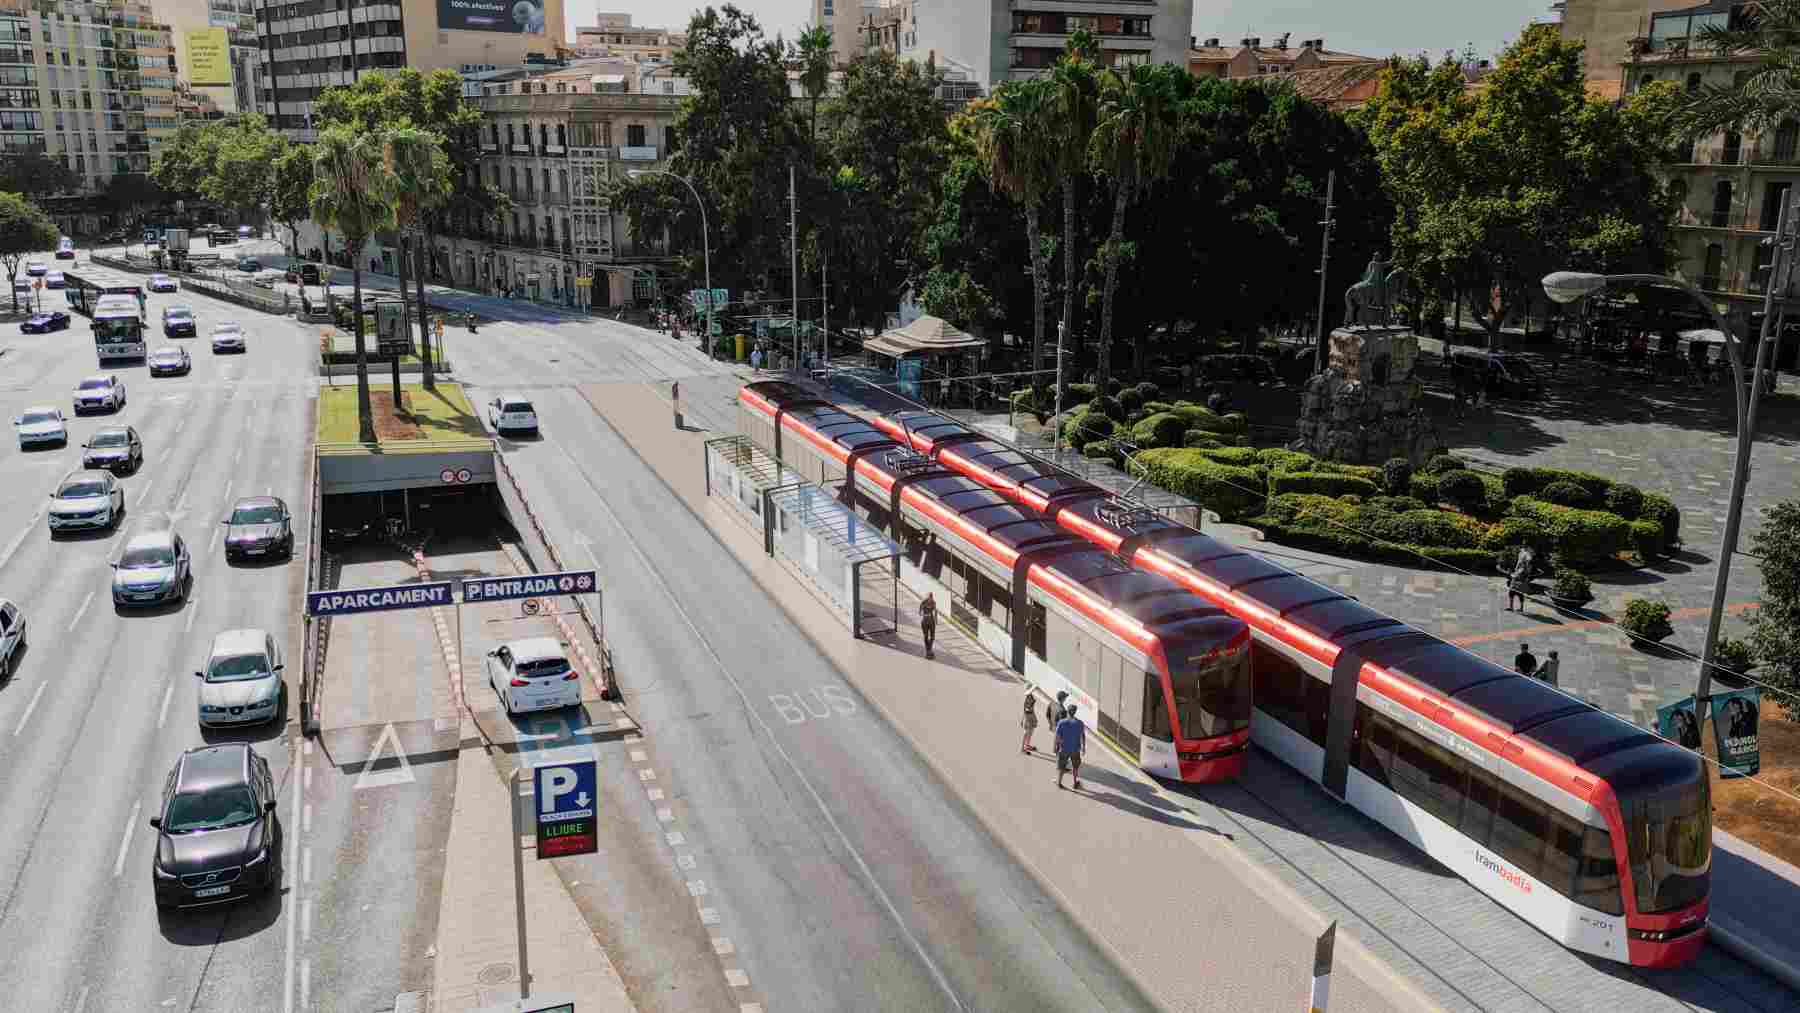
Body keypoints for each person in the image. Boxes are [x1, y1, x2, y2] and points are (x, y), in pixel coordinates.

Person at [1055, 704, 1087, 790]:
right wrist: (1083, 748)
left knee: (1061, 767)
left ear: (1067, 712)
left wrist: (1058, 746)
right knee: (1075, 767)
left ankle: (1059, 782)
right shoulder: (1080, 723)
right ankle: (1074, 783)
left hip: (1064, 749)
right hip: (1075, 750)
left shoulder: (1061, 722)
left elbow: (1057, 737)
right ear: (1075, 712)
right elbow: (1083, 736)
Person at [1505, 546, 1535, 612]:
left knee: (1519, 594)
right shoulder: (1522, 565)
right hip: (1516, 581)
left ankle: (1520, 608)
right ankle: (1512, 607)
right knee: (1512, 593)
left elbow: (1519, 575)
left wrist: (1512, 575)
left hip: (1519, 582)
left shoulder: (1524, 567)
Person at [1021, 689, 1039, 754]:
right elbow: (1026, 711)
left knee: (1030, 733)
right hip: (1028, 719)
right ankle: (1023, 748)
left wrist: (1035, 719)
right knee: (1026, 733)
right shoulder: (1027, 700)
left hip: (1031, 717)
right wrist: (1023, 720)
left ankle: (1027, 745)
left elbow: (1032, 710)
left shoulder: (1031, 698)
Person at [919, 593, 937, 659]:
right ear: (927, 597)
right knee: (926, 636)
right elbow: (920, 613)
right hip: (925, 622)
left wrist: (936, 619)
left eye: (931, 597)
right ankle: (928, 651)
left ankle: (929, 650)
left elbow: (935, 611)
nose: (930, 599)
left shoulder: (933, 602)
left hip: (932, 622)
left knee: (932, 637)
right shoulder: (923, 603)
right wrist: (925, 615)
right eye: (929, 597)